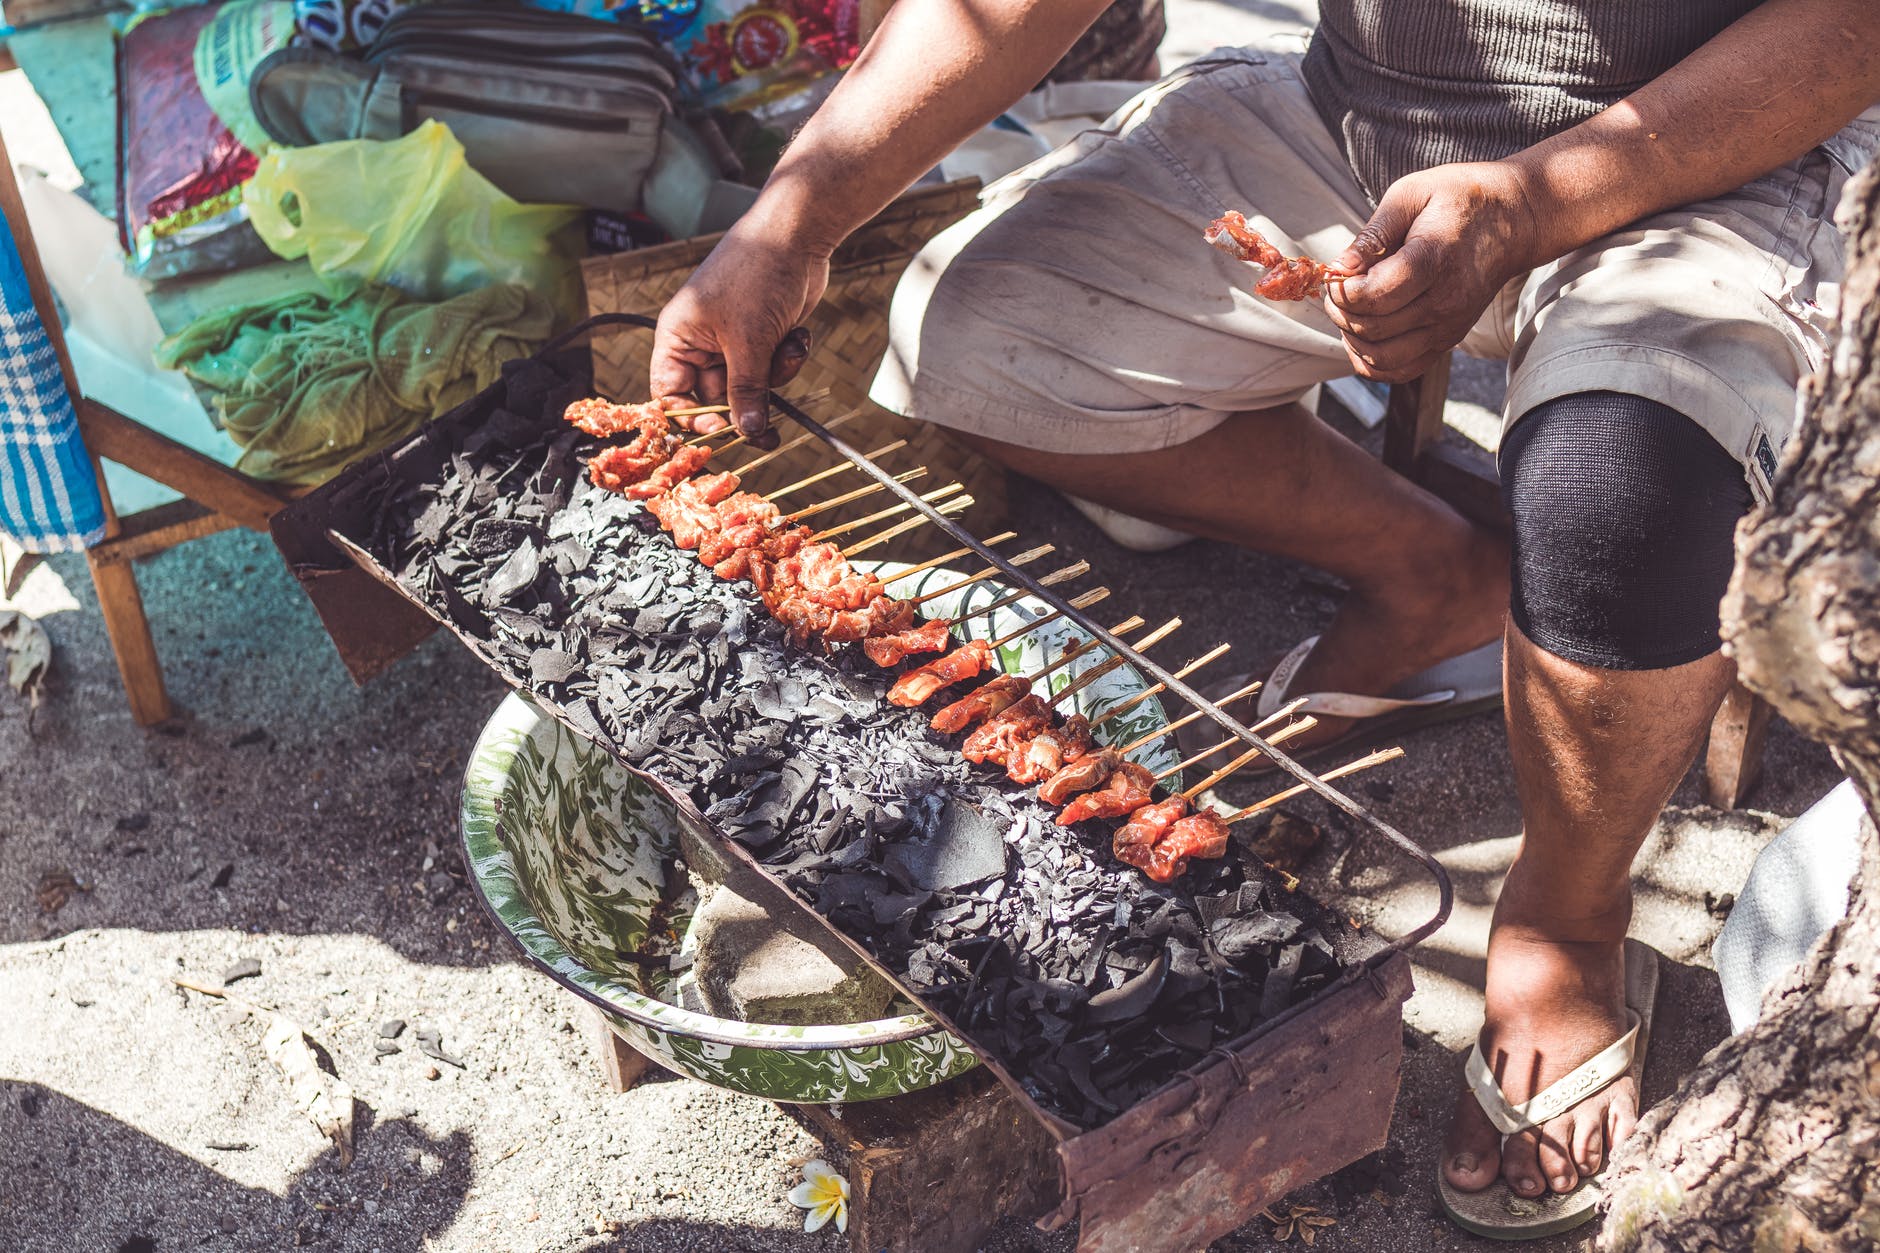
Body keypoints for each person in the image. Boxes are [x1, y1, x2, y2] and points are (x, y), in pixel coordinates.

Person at [649, 0, 1880, 1236]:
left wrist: (1523, 205)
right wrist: (786, 223)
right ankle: (1433, 572)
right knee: (977, 333)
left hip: (1730, 157)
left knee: (1615, 490)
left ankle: (1565, 916)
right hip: (1364, 122)